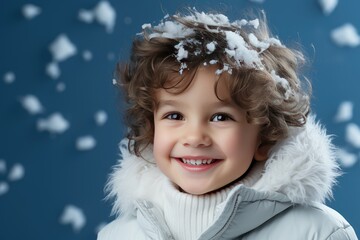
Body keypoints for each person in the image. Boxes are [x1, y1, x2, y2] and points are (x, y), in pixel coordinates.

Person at [98, 8, 358, 240]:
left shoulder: (318, 233)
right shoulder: (118, 235)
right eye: (175, 116)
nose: (195, 137)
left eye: (220, 117)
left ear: (264, 138)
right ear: (152, 129)